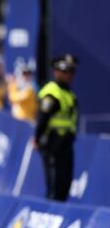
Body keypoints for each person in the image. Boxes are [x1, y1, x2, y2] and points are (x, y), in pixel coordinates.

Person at [33, 54, 79, 201]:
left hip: (66, 144)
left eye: (71, 72)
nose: (69, 75)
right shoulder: (52, 92)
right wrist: (37, 137)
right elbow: (43, 118)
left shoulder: (69, 94)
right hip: (52, 143)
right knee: (54, 186)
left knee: (64, 185)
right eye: (65, 71)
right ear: (56, 71)